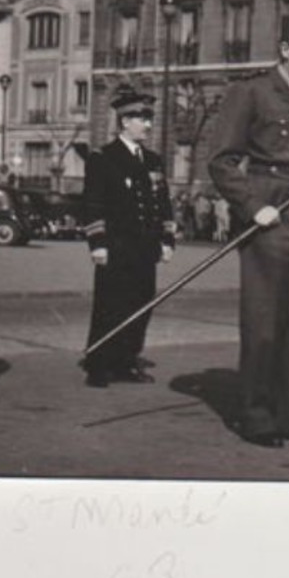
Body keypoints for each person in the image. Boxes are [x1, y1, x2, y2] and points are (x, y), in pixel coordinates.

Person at [208, 14, 289, 447]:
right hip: (271, 204)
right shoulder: (251, 92)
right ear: (285, 49)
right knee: (264, 319)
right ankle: (257, 417)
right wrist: (251, 205)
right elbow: (222, 161)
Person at [81, 84, 176, 388]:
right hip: (117, 246)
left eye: (149, 118)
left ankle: (126, 360)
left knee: (140, 305)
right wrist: (98, 244)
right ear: (124, 122)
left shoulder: (152, 161)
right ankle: (98, 363)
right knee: (109, 305)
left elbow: (163, 203)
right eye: (141, 118)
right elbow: (93, 204)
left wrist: (167, 240)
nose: (148, 124)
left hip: (144, 247)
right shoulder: (104, 158)